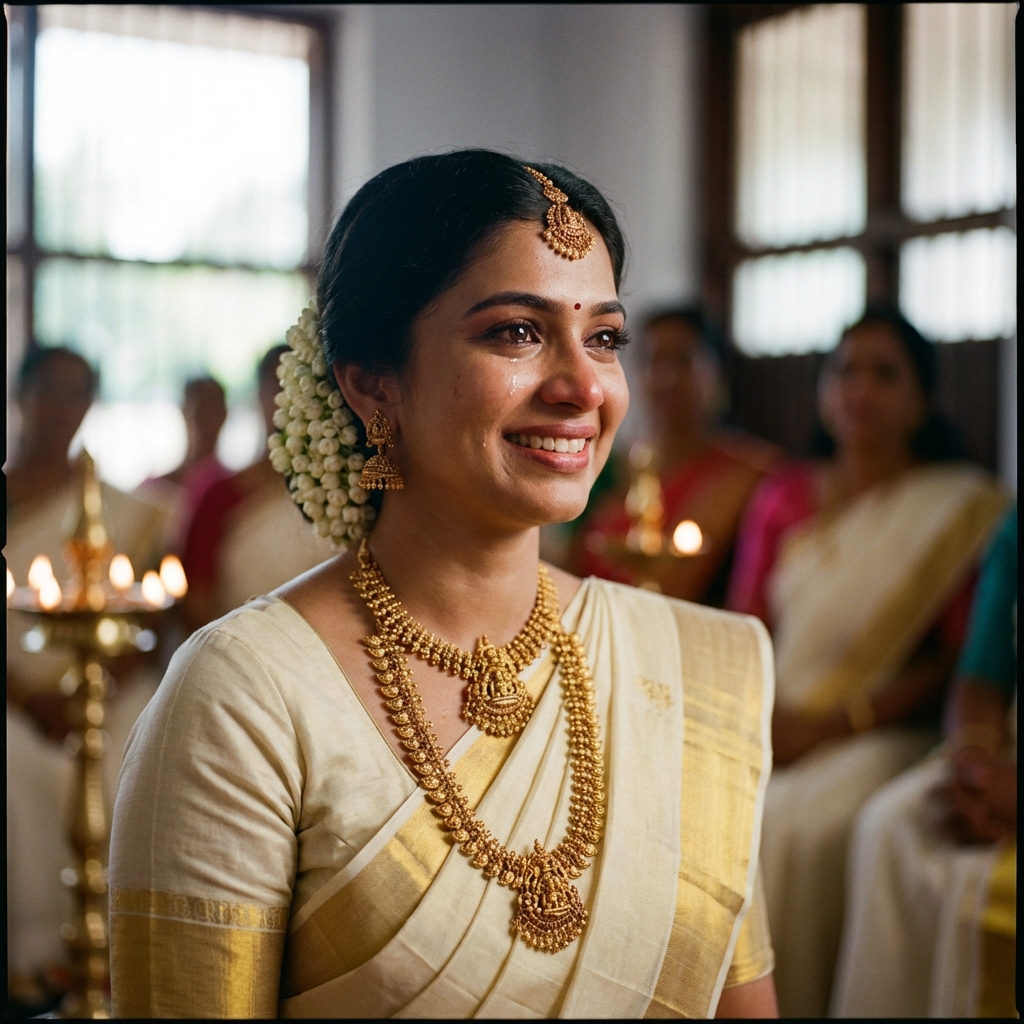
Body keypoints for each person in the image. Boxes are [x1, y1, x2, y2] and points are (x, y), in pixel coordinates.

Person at [108, 151, 779, 1018]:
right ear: (372, 381)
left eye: (604, 337)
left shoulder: (686, 669)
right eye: (517, 332)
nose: (583, 388)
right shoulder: (245, 697)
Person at [726, 309, 1009, 1017]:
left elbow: (956, 659)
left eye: (886, 375)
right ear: (823, 392)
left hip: (882, 727)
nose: (861, 390)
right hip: (774, 715)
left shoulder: (962, 507)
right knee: (719, 806)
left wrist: (835, 724)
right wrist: (767, 718)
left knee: (798, 827)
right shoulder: (784, 494)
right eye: (846, 371)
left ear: (921, 400)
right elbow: (743, 628)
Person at [5, 347, 166, 1014]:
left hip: (99, 684)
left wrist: (90, 687)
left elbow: (144, 609)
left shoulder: (112, 505)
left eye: (79, 393)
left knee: (146, 748)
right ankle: (35, 957)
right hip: (17, 694)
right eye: (53, 391)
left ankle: (119, 952)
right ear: (22, 396)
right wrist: (30, 696)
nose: (64, 408)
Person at [830, 505, 1016, 1018]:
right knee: (888, 824)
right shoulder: (1015, 528)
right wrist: (974, 764)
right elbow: (981, 673)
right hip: (1004, 754)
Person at [574, 308, 777, 604]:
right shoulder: (605, 465)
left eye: (683, 361)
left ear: (717, 371)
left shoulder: (750, 472)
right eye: (652, 361)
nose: (665, 377)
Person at [179, 348, 334, 632]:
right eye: (281, 385)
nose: (293, 399)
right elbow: (197, 603)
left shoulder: (344, 497)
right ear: (259, 396)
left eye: (308, 386)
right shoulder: (218, 497)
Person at [136, 376, 230, 554]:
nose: (208, 418)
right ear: (184, 411)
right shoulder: (153, 488)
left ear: (225, 414)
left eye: (214, 408)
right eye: (201, 408)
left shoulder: (230, 489)